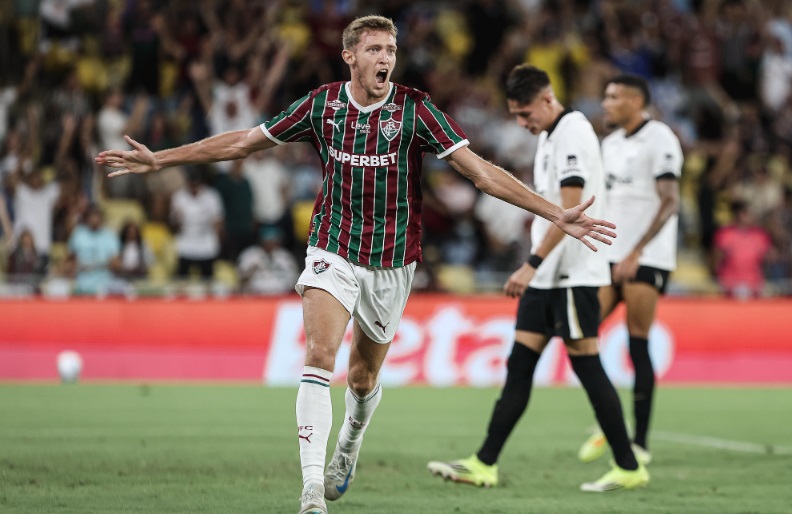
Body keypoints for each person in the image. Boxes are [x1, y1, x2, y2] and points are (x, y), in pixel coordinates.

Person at [95, 16, 616, 514]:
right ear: (350, 57)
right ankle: (312, 490)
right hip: (333, 248)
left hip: (391, 264)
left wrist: (555, 214)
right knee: (320, 356)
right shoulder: (322, 105)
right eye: (374, 49)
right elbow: (244, 142)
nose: (385, 58)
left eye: (390, 50)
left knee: (363, 378)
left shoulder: (415, 110)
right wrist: (161, 158)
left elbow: (480, 173)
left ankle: (350, 440)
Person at [427, 64, 648, 492]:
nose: (522, 124)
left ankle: (628, 465)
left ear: (548, 99)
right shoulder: (550, 134)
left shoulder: (572, 133)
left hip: (570, 275)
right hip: (550, 279)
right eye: (516, 115)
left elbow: (569, 213)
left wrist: (531, 262)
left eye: (526, 114)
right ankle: (484, 462)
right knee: (519, 366)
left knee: (587, 364)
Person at [577, 74, 683, 466]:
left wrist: (637, 252)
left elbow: (670, 200)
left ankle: (639, 442)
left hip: (646, 258)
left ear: (636, 101)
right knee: (582, 334)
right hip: (608, 257)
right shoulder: (611, 143)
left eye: (614, 97)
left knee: (638, 343)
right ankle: (611, 423)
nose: (605, 103)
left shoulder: (661, 138)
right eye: (605, 96)